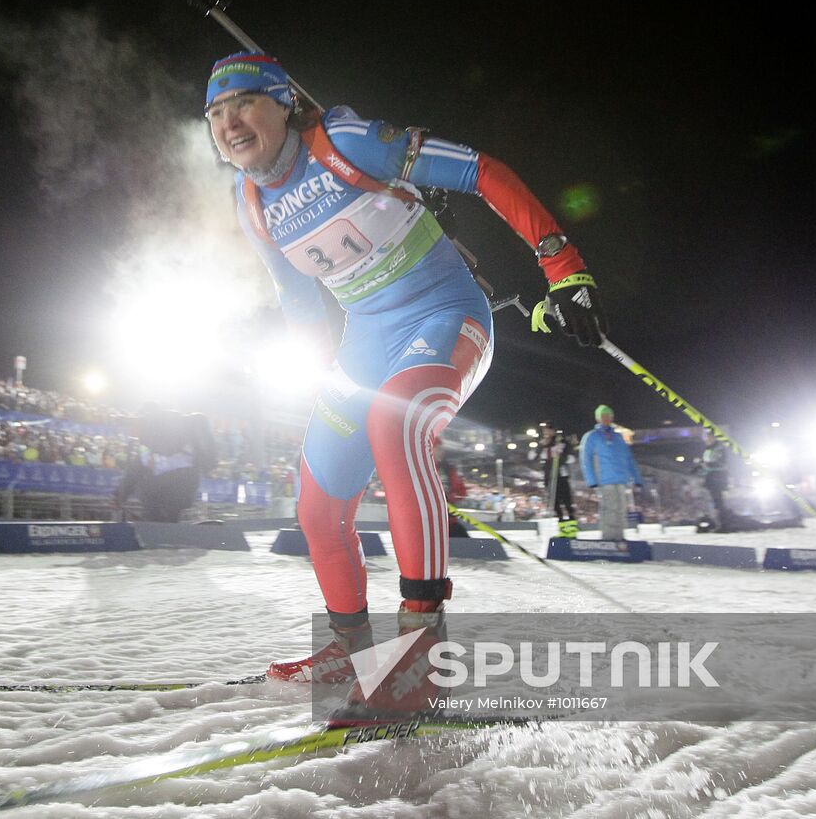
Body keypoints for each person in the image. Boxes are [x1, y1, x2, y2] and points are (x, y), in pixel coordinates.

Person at [204, 52, 607, 718]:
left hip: (444, 315)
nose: (229, 122)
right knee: (316, 501)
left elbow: (483, 170)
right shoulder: (251, 203)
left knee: (396, 426)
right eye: (215, 113)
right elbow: (297, 297)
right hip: (364, 347)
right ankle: (346, 646)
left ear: (281, 102)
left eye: (242, 103)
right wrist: (314, 371)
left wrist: (564, 268)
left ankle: (422, 651)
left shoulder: (346, 144)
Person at [579, 405, 642, 540]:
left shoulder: (619, 437)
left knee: (621, 509)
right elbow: (586, 459)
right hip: (604, 479)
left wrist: (636, 478)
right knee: (609, 508)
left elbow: (629, 459)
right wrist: (591, 480)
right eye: (603, 416)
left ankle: (619, 537)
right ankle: (608, 537)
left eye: (609, 416)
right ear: (598, 418)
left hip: (621, 479)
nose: (607, 419)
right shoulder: (592, 437)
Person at [540, 428, 579, 537]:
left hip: (561, 476)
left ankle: (572, 530)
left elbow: (571, 458)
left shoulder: (561, 443)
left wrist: (561, 457)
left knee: (567, 503)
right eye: (545, 432)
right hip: (549, 477)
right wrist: (541, 447)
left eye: (549, 431)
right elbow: (532, 456)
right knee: (556, 505)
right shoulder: (543, 444)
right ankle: (563, 530)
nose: (547, 434)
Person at [697, 428, 729, 532]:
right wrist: (699, 468)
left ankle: (723, 523)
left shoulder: (719, 448)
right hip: (710, 478)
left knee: (718, 501)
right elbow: (705, 464)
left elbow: (721, 464)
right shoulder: (708, 450)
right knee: (713, 501)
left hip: (717, 478)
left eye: (708, 437)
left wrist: (707, 465)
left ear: (713, 437)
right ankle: (715, 522)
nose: (706, 440)